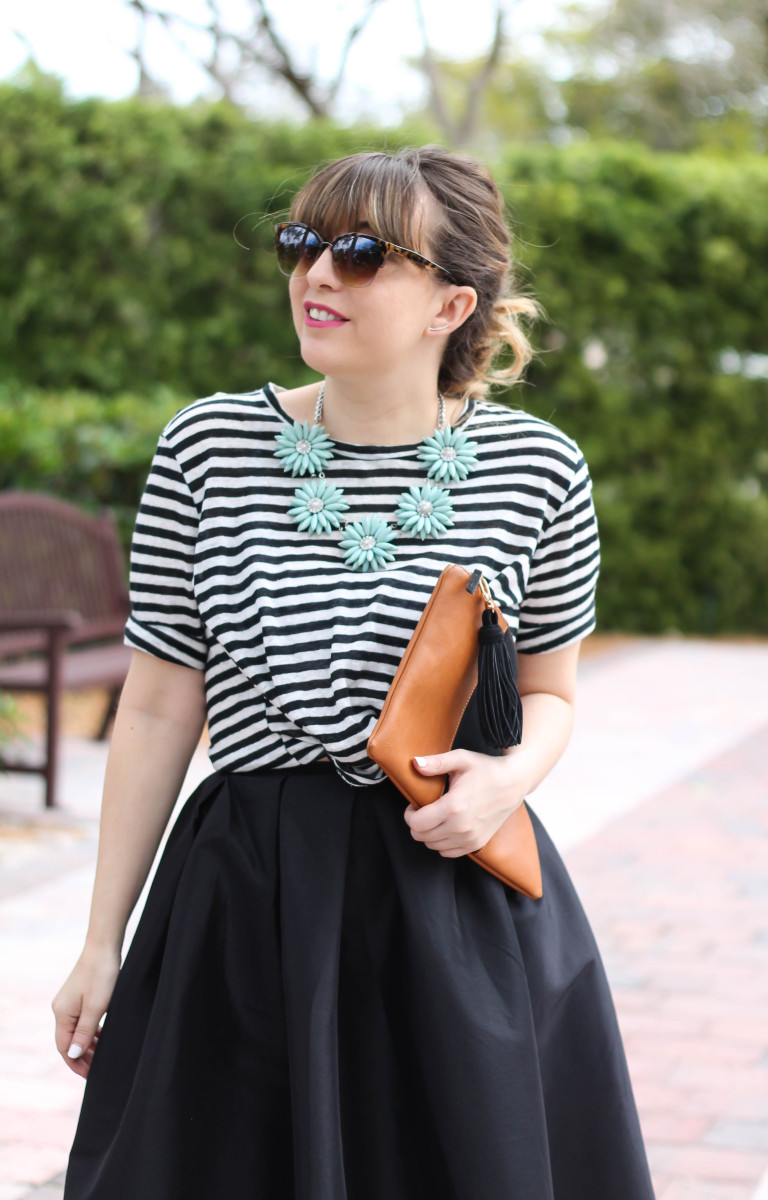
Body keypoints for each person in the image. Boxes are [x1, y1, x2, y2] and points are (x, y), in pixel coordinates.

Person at [52, 145, 655, 1200]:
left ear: (449, 302)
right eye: (303, 244)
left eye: (363, 254)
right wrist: (100, 943)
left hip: (450, 895)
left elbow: (553, 693)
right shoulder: (207, 447)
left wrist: (506, 781)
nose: (317, 274)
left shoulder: (539, 469)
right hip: (247, 896)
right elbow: (155, 708)